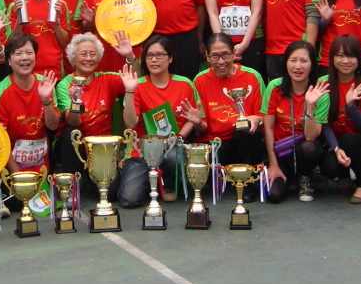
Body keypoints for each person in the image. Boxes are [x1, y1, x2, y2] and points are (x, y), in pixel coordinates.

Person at [305, 34, 361, 204]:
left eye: (351, 56)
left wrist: (350, 106)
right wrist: (335, 147)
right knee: (329, 166)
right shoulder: (323, 83)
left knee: (349, 139)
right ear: (332, 58)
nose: (345, 61)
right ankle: (344, 176)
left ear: (359, 59)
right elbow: (324, 123)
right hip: (337, 144)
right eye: (340, 55)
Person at [127, 35, 203, 201]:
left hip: (172, 146)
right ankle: (151, 181)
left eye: (159, 55)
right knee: (129, 198)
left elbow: (191, 118)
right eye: (149, 55)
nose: (154, 60)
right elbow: (130, 123)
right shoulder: (137, 85)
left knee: (173, 157)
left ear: (170, 58)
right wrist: (129, 91)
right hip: (141, 150)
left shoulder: (185, 84)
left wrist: (178, 136)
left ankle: (168, 184)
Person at [53, 34, 138, 175]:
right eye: (83, 54)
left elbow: (136, 78)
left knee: (107, 186)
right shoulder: (65, 85)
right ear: (72, 58)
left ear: (98, 58)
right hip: (76, 145)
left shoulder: (106, 79)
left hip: (102, 145)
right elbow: (72, 121)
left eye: (93, 54)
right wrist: (75, 101)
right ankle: (72, 182)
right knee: (70, 133)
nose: (88, 58)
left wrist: (130, 56)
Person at [0, 32, 62, 176]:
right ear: (9, 61)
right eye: (18, 53)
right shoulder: (0, 93)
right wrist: (18, 177)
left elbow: (53, 126)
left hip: (42, 168)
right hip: (11, 171)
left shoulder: (45, 84)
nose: (24, 57)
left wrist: (45, 100)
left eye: (29, 52)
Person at [194, 34, 266, 166]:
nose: (221, 61)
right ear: (207, 57)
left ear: (234, 54)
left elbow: (264, 117)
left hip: (244, 140)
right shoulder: (199, 80)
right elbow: (202, 128)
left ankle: (248, 177)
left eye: (225, 55)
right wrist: (197, 122)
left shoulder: (252, 76)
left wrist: (257, 119)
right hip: (215, 142)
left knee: (249, 134)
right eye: (215, 56)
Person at [263, 40, 321, 202]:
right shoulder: (274, 87)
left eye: (304, 61)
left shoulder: (319, 91)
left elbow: (311, 136)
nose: (298, 66)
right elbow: (268, 128)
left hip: (303, 152)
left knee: (309, 148)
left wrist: (310, 106)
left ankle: (305, 177)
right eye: (293, 60)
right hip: (280, 152)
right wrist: (273, 165)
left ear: (312, 65)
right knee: (274, 196)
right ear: (285, 63)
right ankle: (287, 177)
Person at [6, 0, 69, 76]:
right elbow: (11, 42)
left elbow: (64, 43)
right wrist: (20, 17)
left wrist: (56, 22)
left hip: (52, 69)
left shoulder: (59, 5)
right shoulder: (16, 6)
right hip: (25, 69)